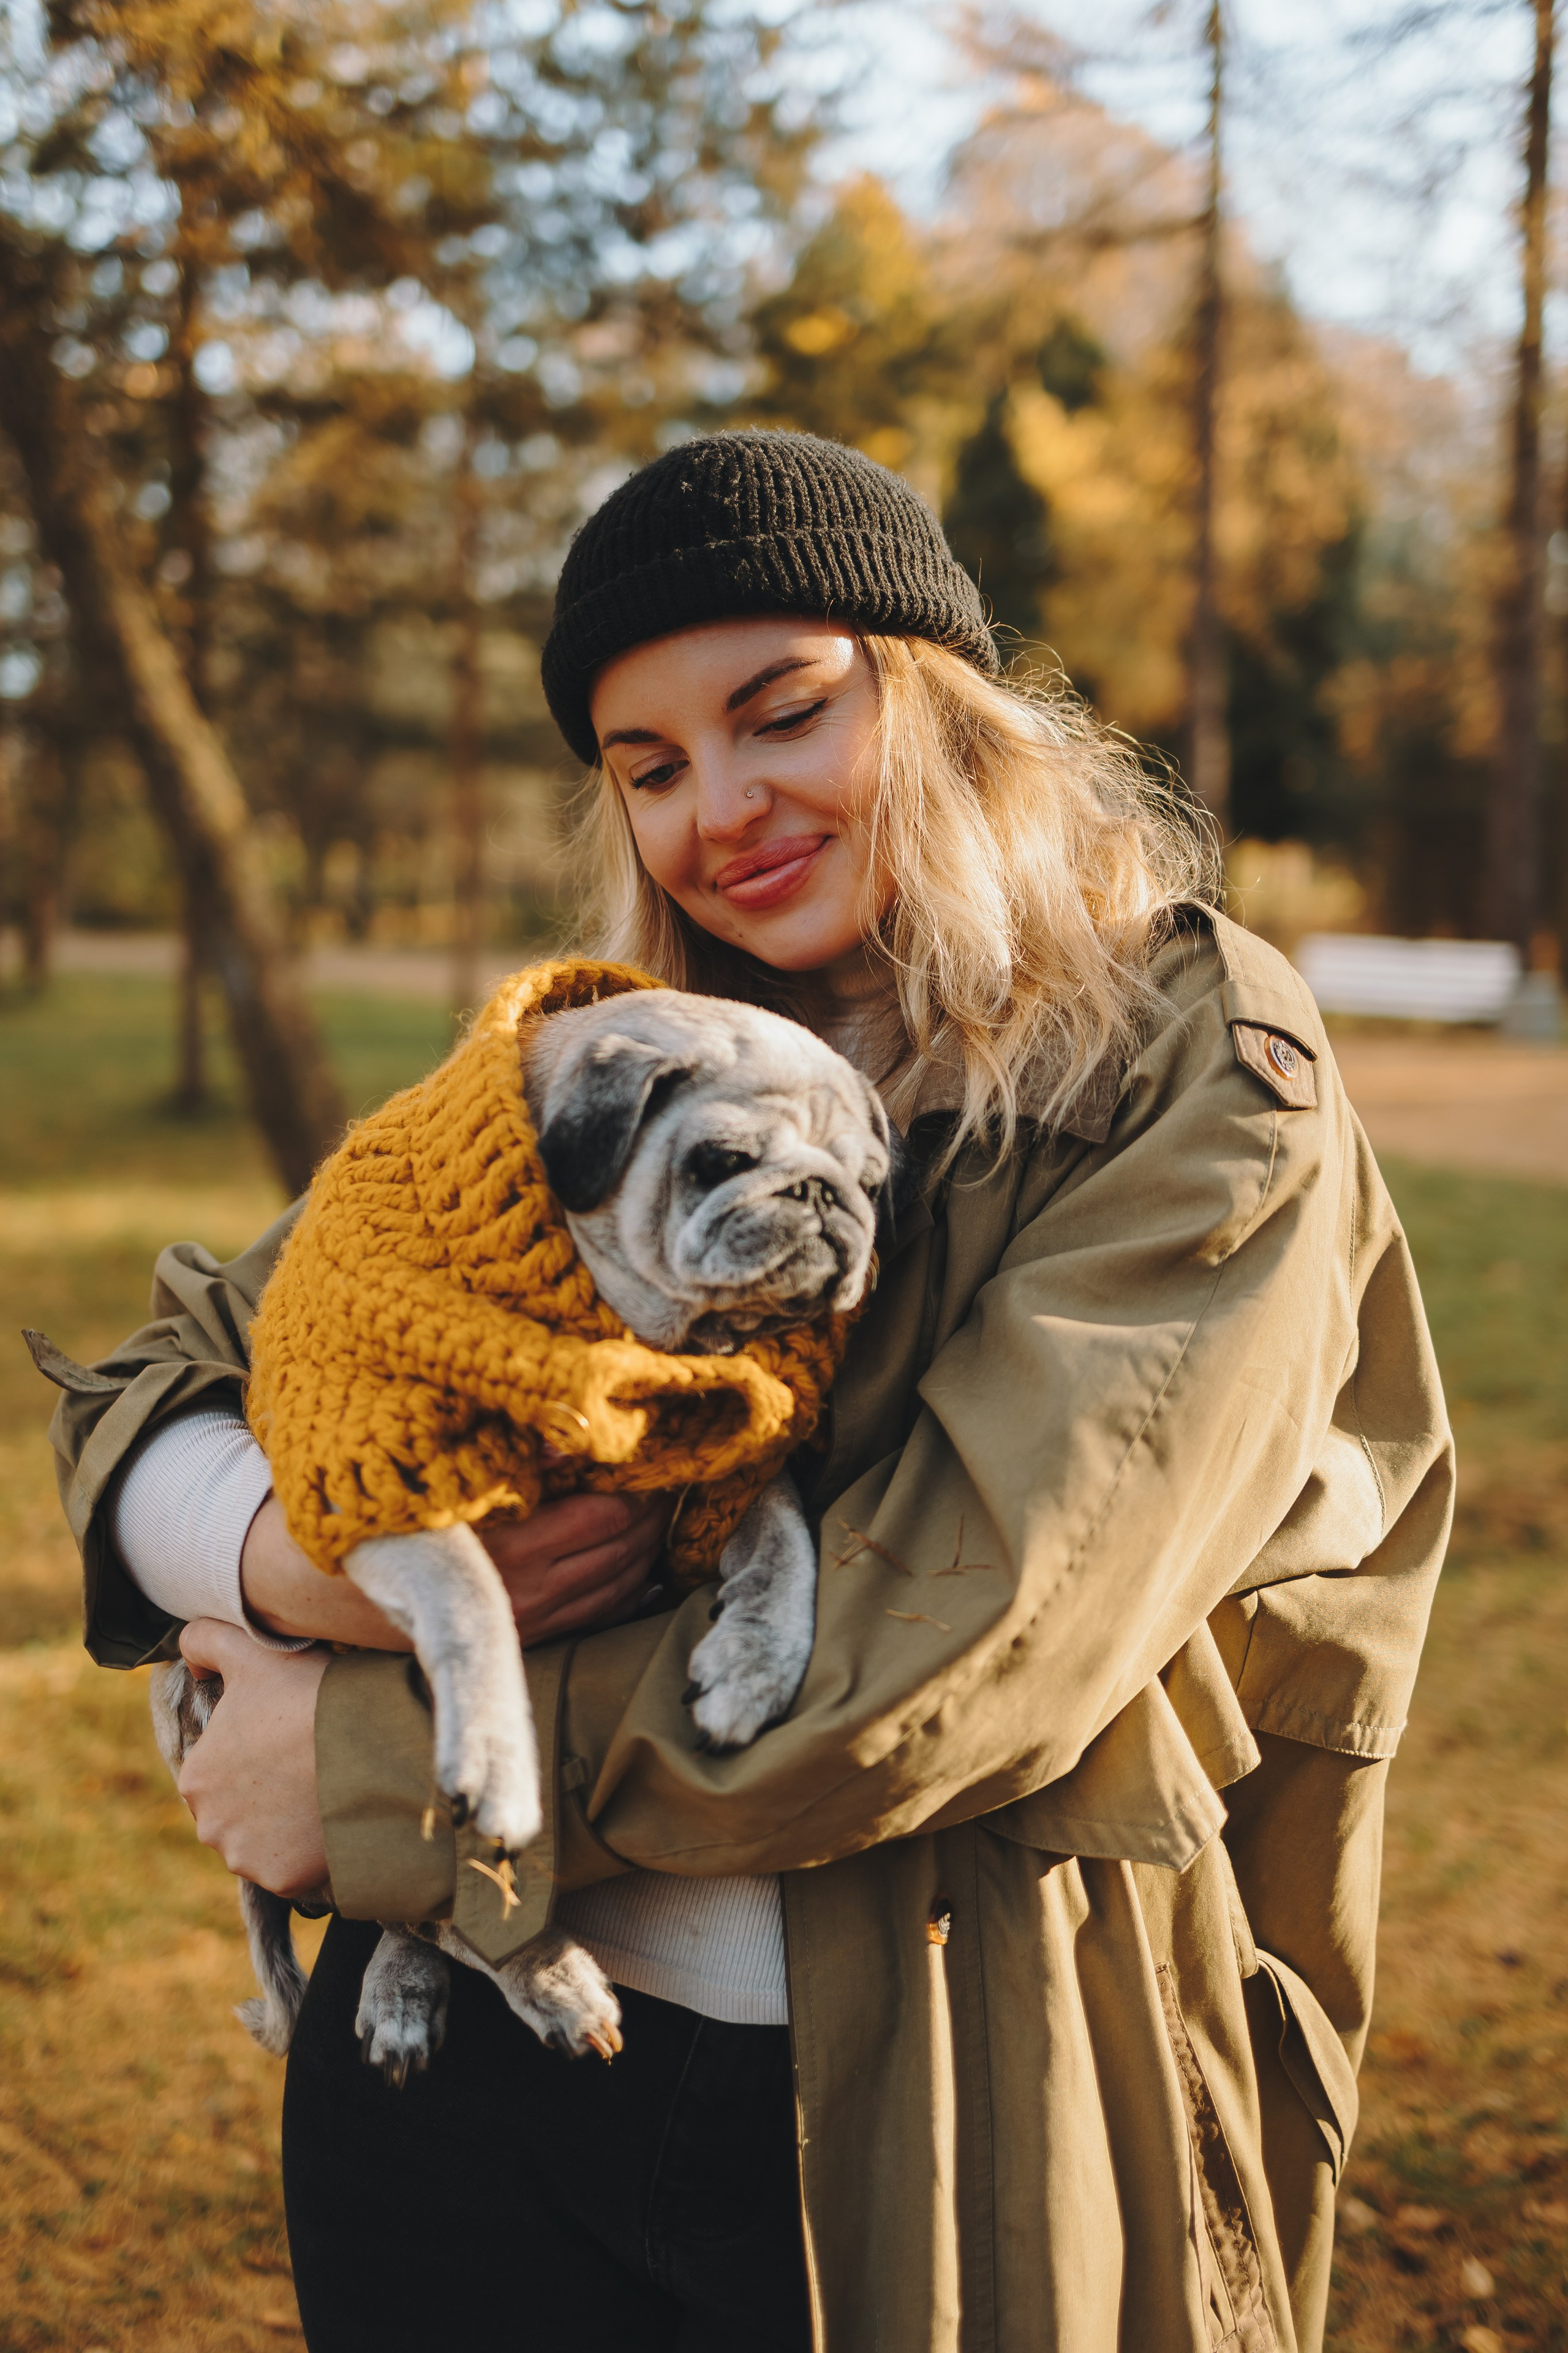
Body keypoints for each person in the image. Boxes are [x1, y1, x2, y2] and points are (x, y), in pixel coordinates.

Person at [48, 431, 1452, 2353]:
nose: (721, 809)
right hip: (457, 2086)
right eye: (649, 767)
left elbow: (952, 1648)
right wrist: (293, 1565)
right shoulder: (588, 1073)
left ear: (938, 702)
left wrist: (366, 1769)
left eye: (783, 713)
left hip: (901, 2119)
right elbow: (156, 1380)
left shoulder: (1178, 1062)